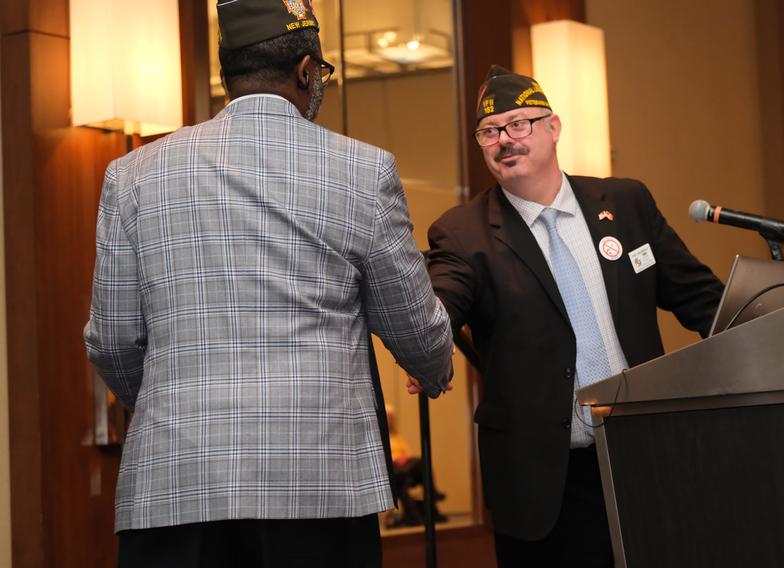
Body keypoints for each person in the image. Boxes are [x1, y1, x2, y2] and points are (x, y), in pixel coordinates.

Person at [83, 1, 453, 566]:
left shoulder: (133, 174)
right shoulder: (361, 170)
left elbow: (111, 339)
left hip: (176, 489)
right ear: (306, 70)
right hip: (320, 492)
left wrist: (169, 403)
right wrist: (433, 369)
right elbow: (414, 327)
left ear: (228, 71)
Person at [419, 65, 724, 566]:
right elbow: (439, 308)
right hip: (546, 483)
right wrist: (423, 346)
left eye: (520, 124)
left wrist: (764, 343)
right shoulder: (462, 232)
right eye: (489, 132)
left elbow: (701, 300)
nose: (504, 141)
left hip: (646, 462)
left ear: (553, 127)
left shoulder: (625, 204)